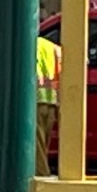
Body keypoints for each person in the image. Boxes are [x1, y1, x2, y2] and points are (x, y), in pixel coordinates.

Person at [35, 33, 62, 176]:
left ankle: (42, 177)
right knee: (43, 146)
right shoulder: (54, 49)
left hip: (35, 101)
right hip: (51, 102)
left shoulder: (32, 45)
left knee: (36, 148)